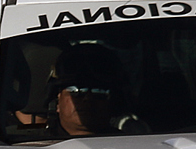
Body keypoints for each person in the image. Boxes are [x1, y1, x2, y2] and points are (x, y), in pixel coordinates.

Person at [13, 43, 146, 139]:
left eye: (99, 92)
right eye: (76, 90)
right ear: (56, 100)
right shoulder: (19, 144)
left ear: (114, 103)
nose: (87, 98)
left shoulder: (133, 147)